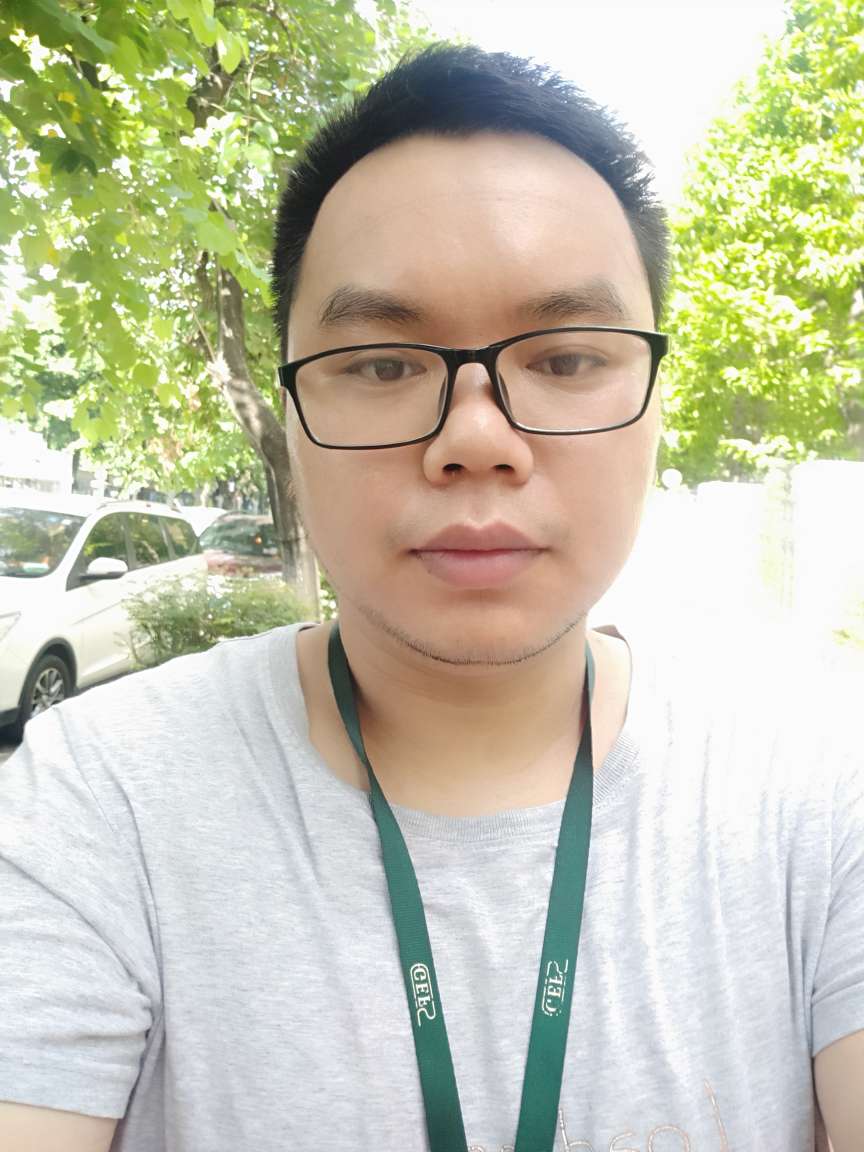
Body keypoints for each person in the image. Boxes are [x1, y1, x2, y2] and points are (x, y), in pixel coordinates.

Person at [1, 43, 862, 1152]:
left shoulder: (819, 794)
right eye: (382, 364)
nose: (477, 439)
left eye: (566, 359)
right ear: (289, 416)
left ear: (653, 402)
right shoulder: (97, 800)